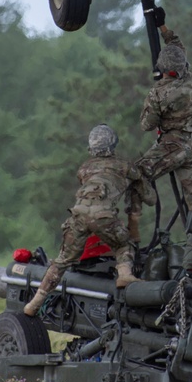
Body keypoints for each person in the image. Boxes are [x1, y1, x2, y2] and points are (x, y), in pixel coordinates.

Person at [24, 124, 155, 317]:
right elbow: (150, 198)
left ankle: (34, 303)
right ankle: (125, 275)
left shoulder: (84, 168)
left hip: (77, 216)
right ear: (113, 144)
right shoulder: (124, 165)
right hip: (104, 217)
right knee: (123, 243)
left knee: (61, 262)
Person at [134, 8, 192, 269]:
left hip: (172, 146)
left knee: (137, 174)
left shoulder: (159, 93)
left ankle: (141, 213)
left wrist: (152, 98)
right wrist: (162, 27)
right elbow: (177, 48)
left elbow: (146, 124)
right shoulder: (189, 78)